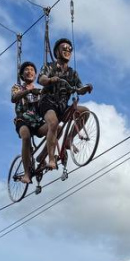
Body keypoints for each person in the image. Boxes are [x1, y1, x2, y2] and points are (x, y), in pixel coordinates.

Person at [38, 38, 93, 171]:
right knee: (53, 123)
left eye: (70, 49)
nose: (67, 51)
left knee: (85, 112)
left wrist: (85, 88)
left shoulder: (72, 73)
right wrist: (50, 80)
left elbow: (79, 88)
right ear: (57, 52)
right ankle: (51, 158)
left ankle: (69, 139)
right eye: (64, 49)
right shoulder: (49, 66)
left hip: (62, 107)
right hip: (47, 103)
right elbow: (41, 79)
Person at [11, 61, 47, 186]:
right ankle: (27, 173)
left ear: (35, 74)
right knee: (25, 136)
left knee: (56, 129)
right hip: (23, 120)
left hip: (37, 122)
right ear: (22, 74)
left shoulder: (40, 91)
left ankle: (41, 157)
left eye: (32, 69)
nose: (29, 71)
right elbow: (14, 98)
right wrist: (28, 91)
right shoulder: (17, 87)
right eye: (27, 69)